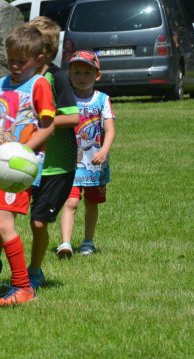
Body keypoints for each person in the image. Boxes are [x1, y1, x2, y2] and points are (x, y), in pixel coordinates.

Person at [0, 17, 79, 289]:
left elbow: (47, 127)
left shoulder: (40, 84)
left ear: (39, 59)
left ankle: (23, 285)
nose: (14, 67)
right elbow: (0, 120)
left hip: (18, 168)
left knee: (4, 225)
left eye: (21, 62)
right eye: (10, 60)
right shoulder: (3, 82)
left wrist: (24, 149)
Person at [57, 51, 116, 258]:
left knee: (92, 203)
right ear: (69, 75)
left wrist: (104, 150)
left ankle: (88, 241)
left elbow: (109, 129)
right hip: (71, 162)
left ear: (97, 75)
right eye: (77, 72)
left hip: (95, 164)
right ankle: (65, 243)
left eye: (87, 73)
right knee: (70, 202)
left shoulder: (102, 100)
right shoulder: (65, 98)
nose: (81, 77)